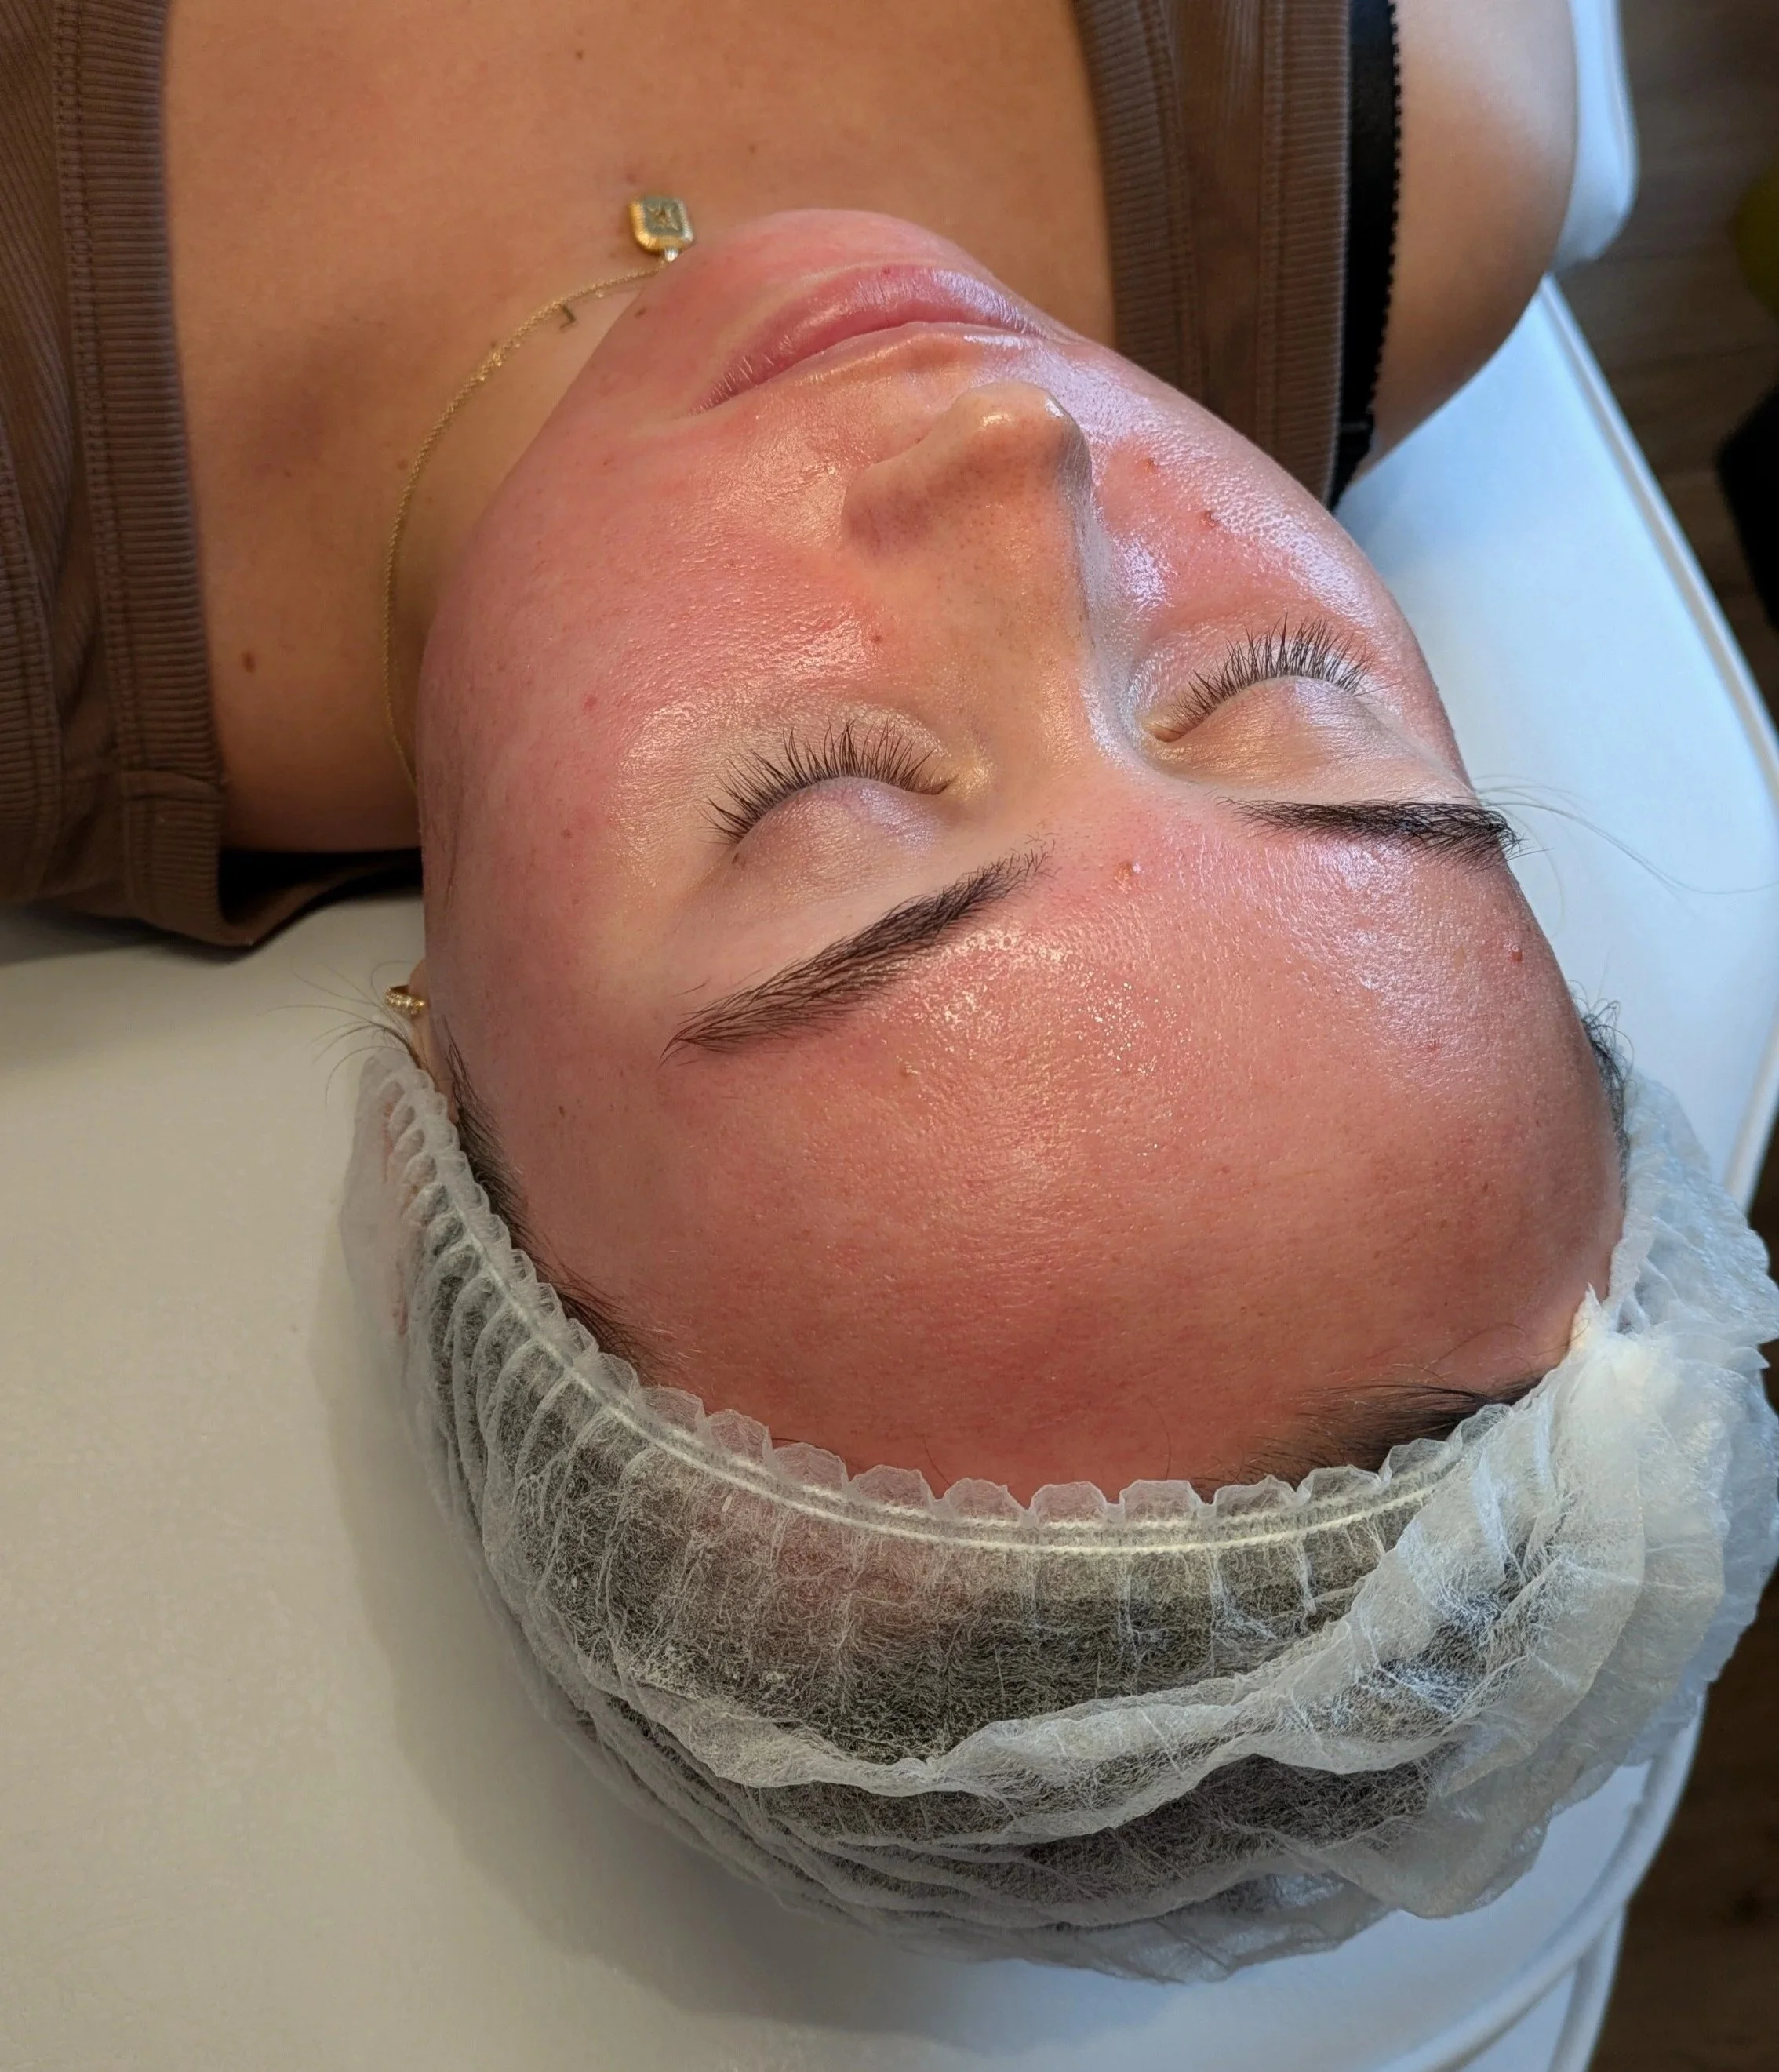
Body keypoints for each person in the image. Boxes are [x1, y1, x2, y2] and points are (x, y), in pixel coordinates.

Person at [5, 0, 1613, 1501]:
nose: (1018, 445)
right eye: (1285, 692)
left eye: (823, 800)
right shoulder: (1401, 150)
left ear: (441, 1093)